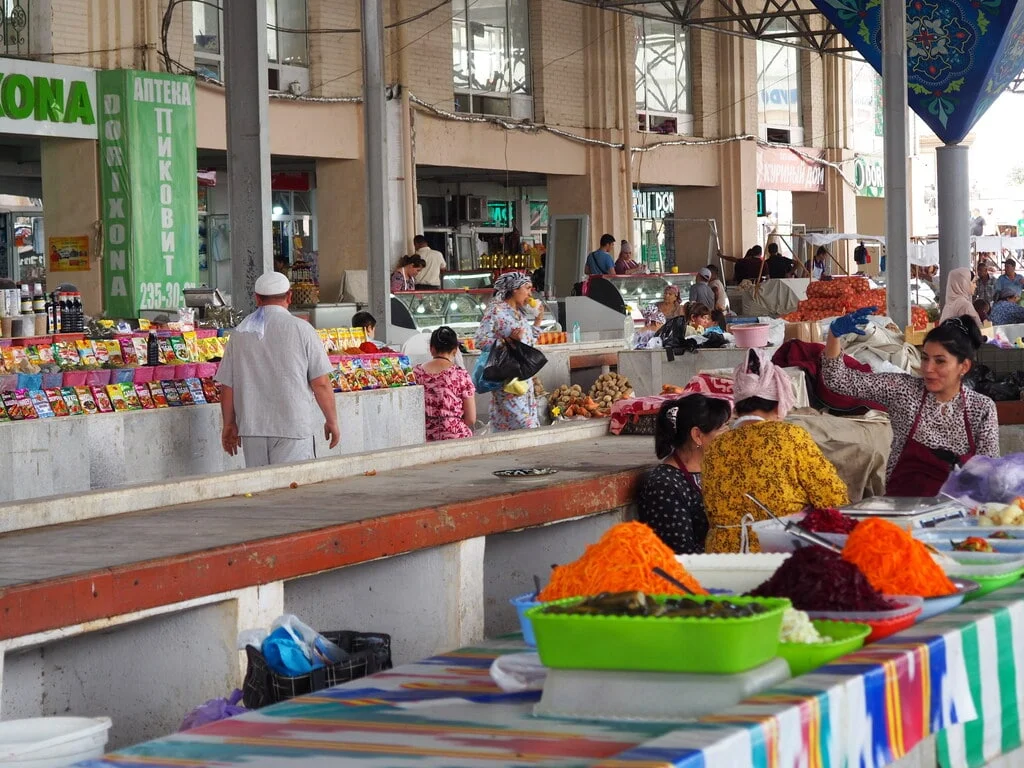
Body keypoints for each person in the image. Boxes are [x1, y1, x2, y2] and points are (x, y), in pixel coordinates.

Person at [822, 309, 999, 496]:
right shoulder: (902, 390)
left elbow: (989, 473)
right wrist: (834, 335)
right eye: (925, 358)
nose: (928, 369)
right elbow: (838, 380)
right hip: (903, 507)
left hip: (962, 510)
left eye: (940, 361)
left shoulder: (981, 408)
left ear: (964, 366)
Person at [701, 349, 849, 553]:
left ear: (738, 404)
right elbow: (833, 499)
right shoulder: (790, 437)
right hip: (779, 553)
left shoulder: (716, 446)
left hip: (723, 558)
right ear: (778, 402)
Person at [216, 272, 340, 468]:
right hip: (292, 426)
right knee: (292, 491)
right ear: (289, 297)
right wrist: (332, 420)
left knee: (261, 491)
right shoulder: (302, 329)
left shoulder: (240, 333)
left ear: (257, 298)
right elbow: (321, 383)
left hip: (253, 428)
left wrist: (229, 424)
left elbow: (227, 386)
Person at [637, 395, 731, 554]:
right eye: (722, 428)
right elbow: (681, 552)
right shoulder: (665, 484)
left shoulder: (718, 468)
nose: (729, 434)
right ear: (697, 435)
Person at [474, 272, 545, 431]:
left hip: (523, 380)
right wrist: (506, 340)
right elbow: (480, 340)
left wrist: (538, 321)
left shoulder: (520, 313)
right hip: (507, 379)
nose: (529, 294)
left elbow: (529, 343)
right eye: (526, 288)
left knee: (517, 426)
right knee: (526, 426)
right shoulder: (496, 310)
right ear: (514, 289)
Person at [414, 326, 477, 441]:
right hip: (455, 437)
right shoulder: (461, 375)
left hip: (423, 437)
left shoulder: (416, 374)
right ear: (455, 350)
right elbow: (471, 419)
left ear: (431, 349)